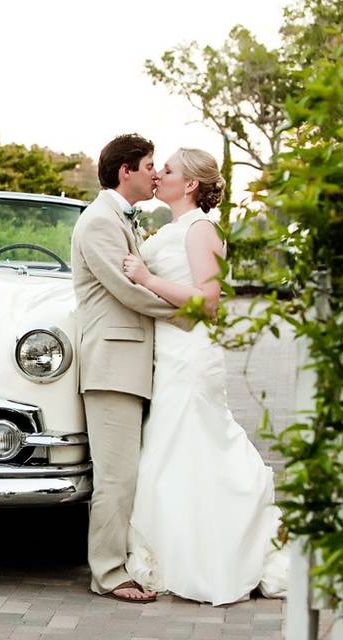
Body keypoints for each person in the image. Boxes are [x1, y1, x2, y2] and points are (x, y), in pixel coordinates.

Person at [121, 148, 288, 605]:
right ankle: (182, 549)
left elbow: (208, 301)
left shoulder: (200, 229)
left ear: (191, 184)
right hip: (168, 352)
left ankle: (220, 552)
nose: (159, 176)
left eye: (169, 170)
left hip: (190, 357)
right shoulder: (174, 228)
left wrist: (148, 279)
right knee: (172, 452)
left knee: (194, 444)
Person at [70, 134, 192, 603]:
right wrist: (188, 316)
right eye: (148, 166)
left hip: (132, 361)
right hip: (112, 362)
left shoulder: (121, 218)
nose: (155, 174)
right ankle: (107, 572)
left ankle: (120, 560)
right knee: (116, 475)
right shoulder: (99, 221)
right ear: (126, 171)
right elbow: (129, 292)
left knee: (128, 473)